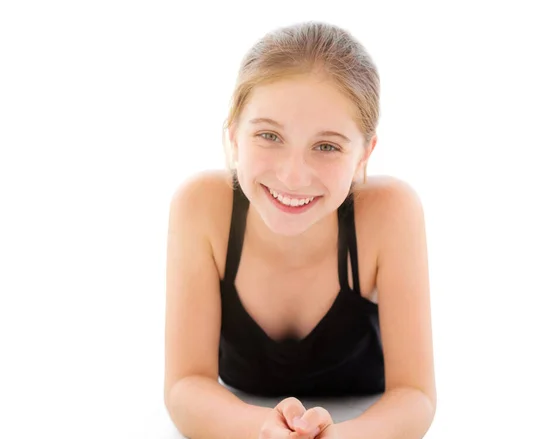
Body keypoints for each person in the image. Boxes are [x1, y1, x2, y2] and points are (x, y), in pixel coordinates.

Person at [164, 21, 436, 439]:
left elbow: (415, 395)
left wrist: (339, 438)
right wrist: (263, 430)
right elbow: (185, 386)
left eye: (326, 146)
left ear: (364, 153)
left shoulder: (390, 214)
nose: (293, 176)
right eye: (269, 135)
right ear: (235, 135)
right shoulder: (202, 207)